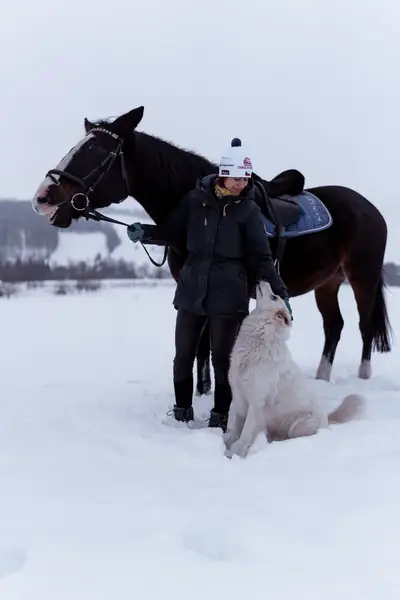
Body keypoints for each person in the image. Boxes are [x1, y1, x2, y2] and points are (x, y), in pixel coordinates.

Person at [127, 138, 292, 432]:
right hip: (191, 291)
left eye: (246, 178)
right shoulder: (195, 200)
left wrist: (279, 291)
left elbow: (261, 257)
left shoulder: (249, 211)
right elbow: (173, 233)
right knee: (183, 357)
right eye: (236, 177)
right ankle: (181, 410)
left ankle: (221, 415)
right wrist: (147, 233)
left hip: (229, 297)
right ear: (222, 174)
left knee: (222, 361)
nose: (241, 184)